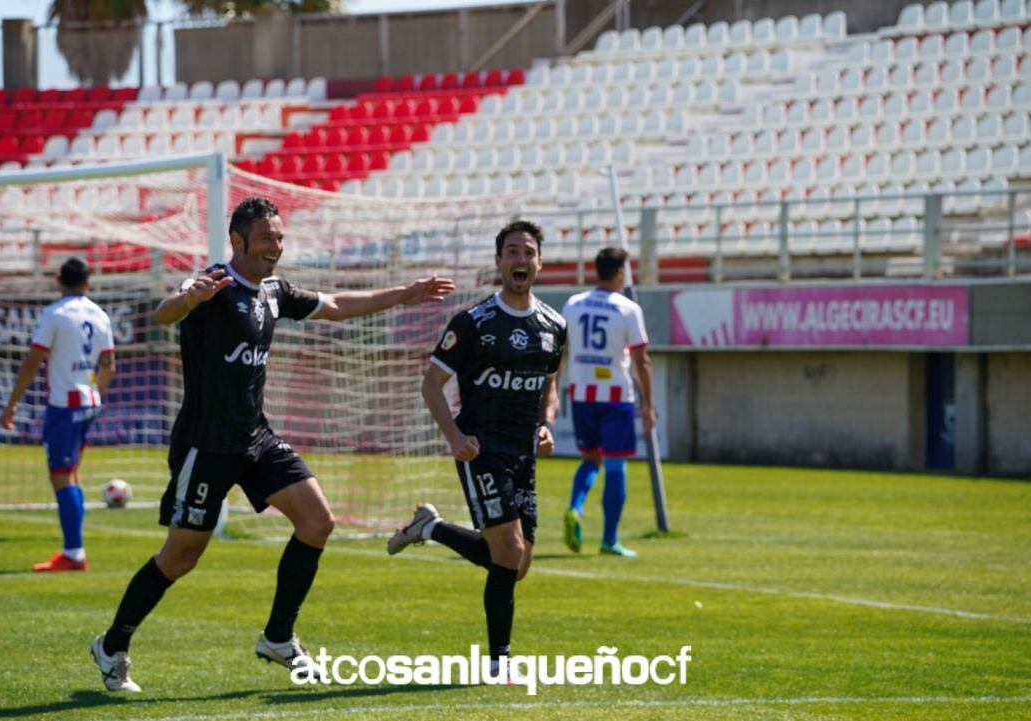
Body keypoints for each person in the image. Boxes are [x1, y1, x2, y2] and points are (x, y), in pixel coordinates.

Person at [90, 196, 455, 692]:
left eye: (280, 238)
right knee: (180, 558)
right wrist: (190, 298)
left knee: (318, 521)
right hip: (207, 444)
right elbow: (163, 314)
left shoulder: (273, 292)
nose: (276, 247)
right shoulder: (213, 282)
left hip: (255, 437)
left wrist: (404, 293)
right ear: (238, 241)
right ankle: (112, 645)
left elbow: (337, 305)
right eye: (266, 238)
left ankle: (278, 637)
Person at [387, 220, 566, 678]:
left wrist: (546, 424)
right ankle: (499, 663)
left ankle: (431, 529)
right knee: (507, 550)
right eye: (511, 252)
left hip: (523, 453)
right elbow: (432, 384)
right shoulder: (473, 323)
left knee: (517, 563)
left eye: (528, 252)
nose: (520, 260)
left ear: (539, 262)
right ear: (499, 263)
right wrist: (454, 437)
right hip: (480, 449)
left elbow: (550, 384)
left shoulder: (554, 326)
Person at [0, 258, 116, 572]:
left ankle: (74, 553)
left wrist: (12, 404)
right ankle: (74, 551)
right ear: (88, 283)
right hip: (88, 401)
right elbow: (108, 365)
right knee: (71, 474)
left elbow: (34, 360)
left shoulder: (54, 314)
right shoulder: (100, 314)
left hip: (65, 405)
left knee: (61, 476)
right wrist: (96, 396)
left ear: (58, 281)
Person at [559, 247, 654, 558]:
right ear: (619, 273)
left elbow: (561, 352)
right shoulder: (627, 308)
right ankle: (609, 540)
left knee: (590, 459)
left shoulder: (573, 304)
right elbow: (642, 361)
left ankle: (576, 507)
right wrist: (648, 404)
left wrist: (553, 390)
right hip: (615, 396)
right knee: (616, 465)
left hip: (581, 394)